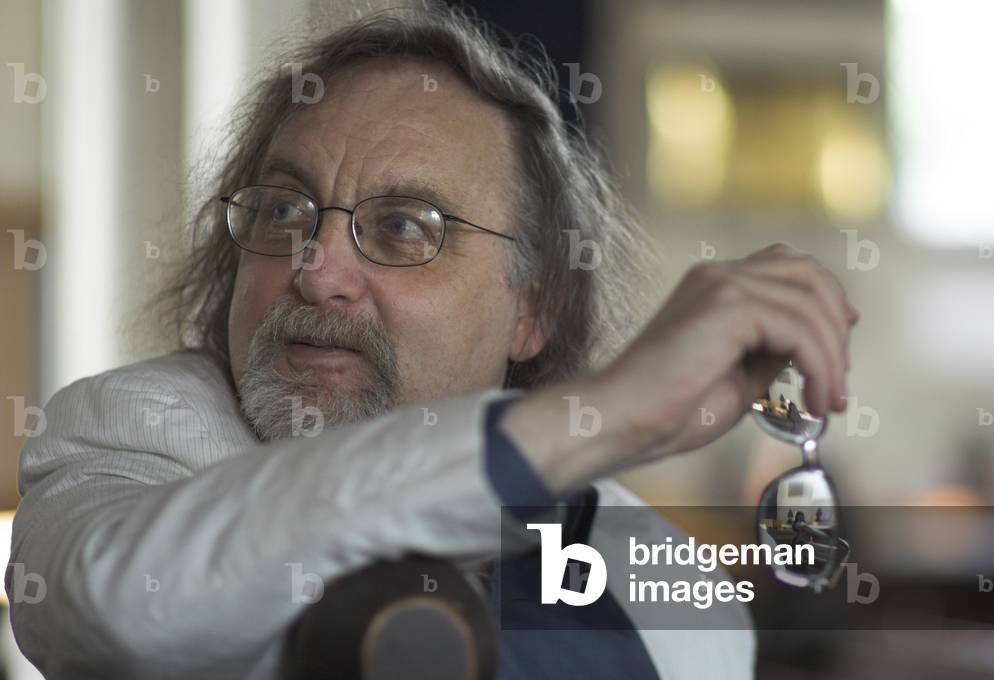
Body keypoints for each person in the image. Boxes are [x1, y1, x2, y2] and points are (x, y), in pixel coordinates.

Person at [5, 5, 857, 679]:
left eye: (405, 227)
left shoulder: (675, 589)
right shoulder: (132, 433)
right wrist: (612, 410)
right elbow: (118, 614)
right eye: (282, 211)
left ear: (536, 308)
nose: (316, 269)